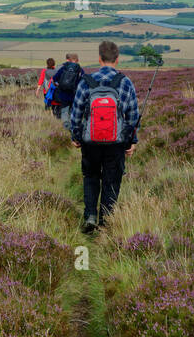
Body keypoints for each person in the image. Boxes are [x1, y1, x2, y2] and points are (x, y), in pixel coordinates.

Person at [68, 40, 140, 233]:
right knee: (112, 179)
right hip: (116, 143)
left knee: (90, 176)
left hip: (90, 142)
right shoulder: (125, 82)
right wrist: (132, 141)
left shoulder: (86, 82)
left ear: (99, 58)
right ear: (117, 59)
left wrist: (76, 136)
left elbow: (76, 113)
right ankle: (106, 221)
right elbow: (133, 115)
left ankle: (90, 216)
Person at [48, 52, 83, 124]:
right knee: (73, 112)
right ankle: (72, 127)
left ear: (69, 60)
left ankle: (65, 127)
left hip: (64, 94)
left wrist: (59, 85)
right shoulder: (79, 70)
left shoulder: (64, 68)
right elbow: (84, 81)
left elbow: (54, 79)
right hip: (75, 95)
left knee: (64, 111)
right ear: (77, 60)